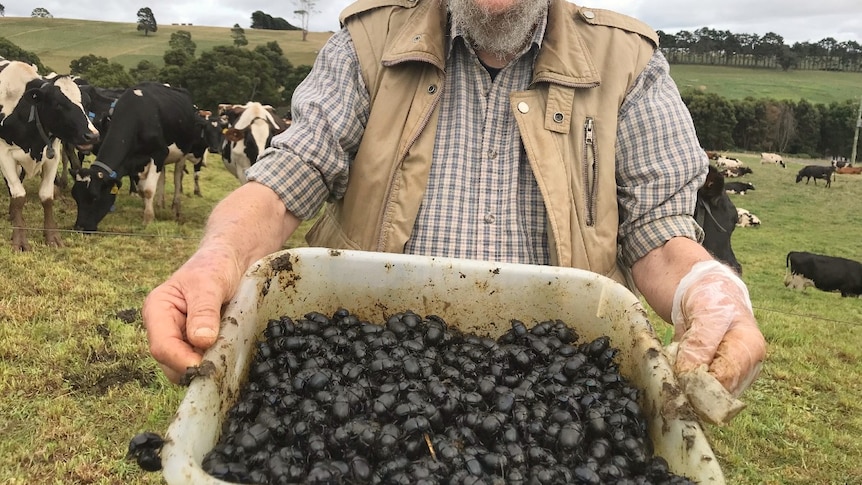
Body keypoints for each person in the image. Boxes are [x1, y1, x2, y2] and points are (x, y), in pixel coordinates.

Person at [142, 0, 766, 406]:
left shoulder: (627, 62)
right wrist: (219, 255)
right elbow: (288, 175)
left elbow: (659, 232)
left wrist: (710, 292)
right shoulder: (368, 42)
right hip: (369, 372)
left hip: (552, 384)